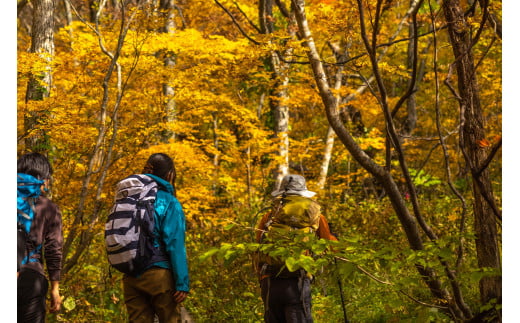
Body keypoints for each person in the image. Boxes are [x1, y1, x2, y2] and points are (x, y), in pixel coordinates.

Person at [254, 174, 337, 323]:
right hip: (297, 281)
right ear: (303, 194)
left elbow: (258, 245)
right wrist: (335, 239)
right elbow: (329, 246)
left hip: (270, 281)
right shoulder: (315, 217)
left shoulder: (269, 216)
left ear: (282, 195)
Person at [122, 153, 190, 323]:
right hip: (159, 276)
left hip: (130, 275)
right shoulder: (168, 202)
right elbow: (175, 244)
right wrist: (182, 282)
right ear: (169, 175)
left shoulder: (128, 198)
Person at [17, 152, 63, 322]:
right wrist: (55, 288)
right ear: (42, 178)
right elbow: (54, 249)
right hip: (31, 279)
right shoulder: (48, 207)